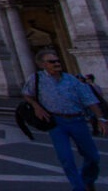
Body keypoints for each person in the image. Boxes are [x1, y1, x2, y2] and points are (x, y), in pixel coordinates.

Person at [24, 49, 108, 191]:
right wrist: (36, 107)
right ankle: (79, 188)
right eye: (52, 61)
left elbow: (89, 100)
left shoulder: (72, 79)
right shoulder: (36, 79)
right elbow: (27, 94)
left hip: (77, 120)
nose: (57, 63)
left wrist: (101, 118)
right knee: (66, 159)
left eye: (57, 61)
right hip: (56, 122)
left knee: (93, 156)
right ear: (42, 64)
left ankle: (87, 180)